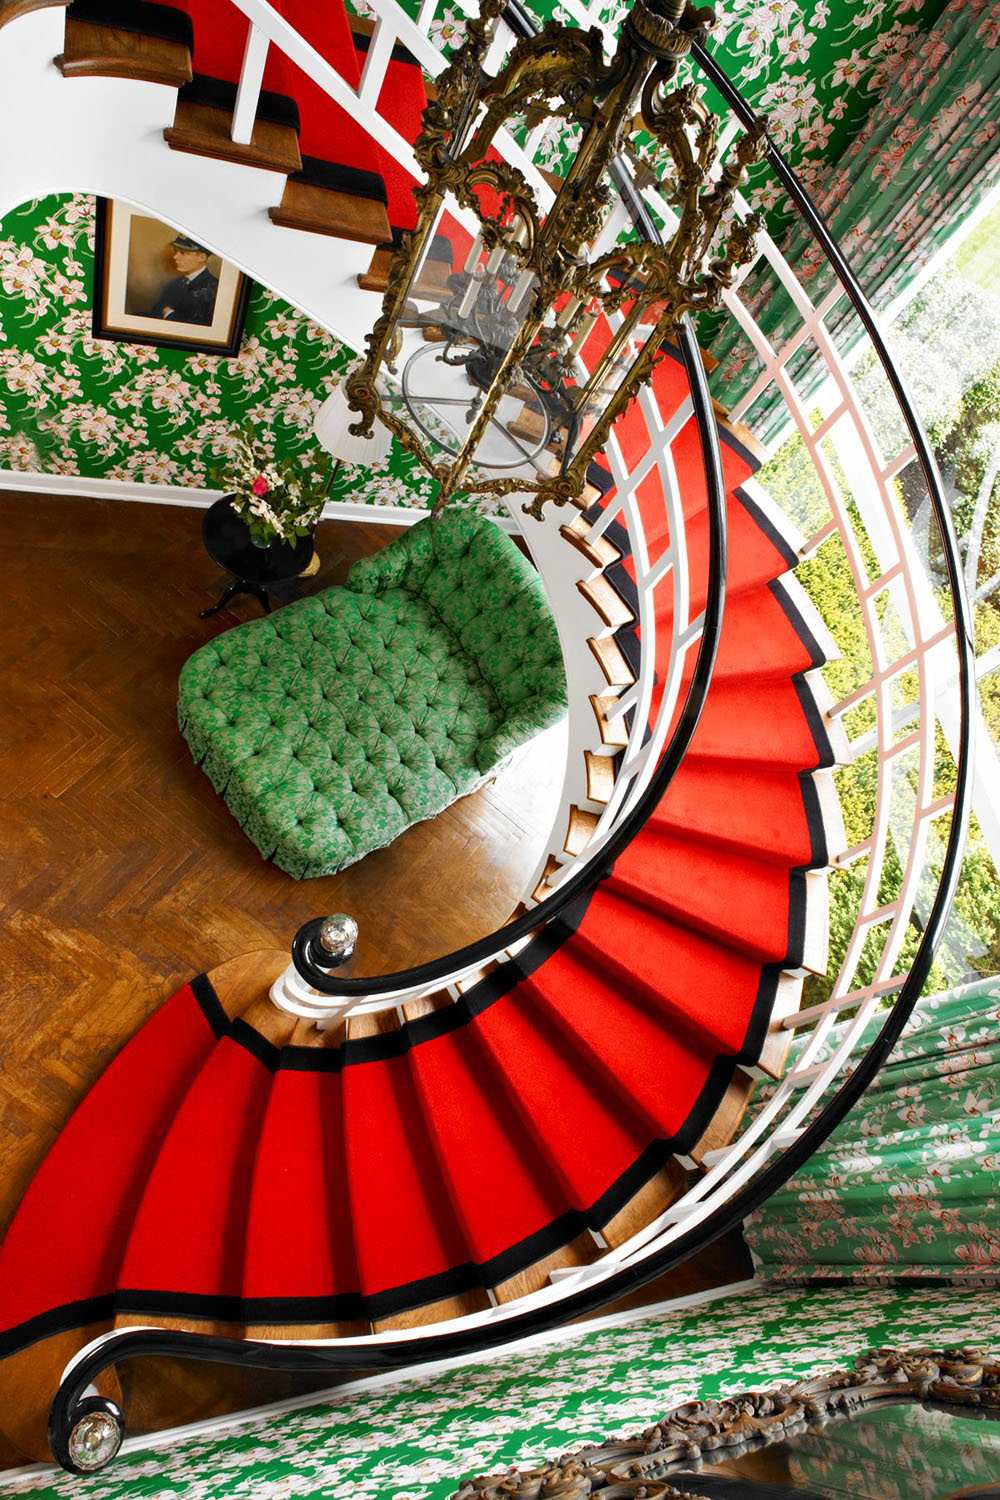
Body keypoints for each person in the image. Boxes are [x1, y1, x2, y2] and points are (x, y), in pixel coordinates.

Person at [150, 234, 219, 324]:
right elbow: (154, 315)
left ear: (201, 257)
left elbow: (204, 327)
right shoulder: (171, 285)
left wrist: (169, 314)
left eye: (183, 253)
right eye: (175, 251)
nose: (175, 257)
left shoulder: (214, 288)